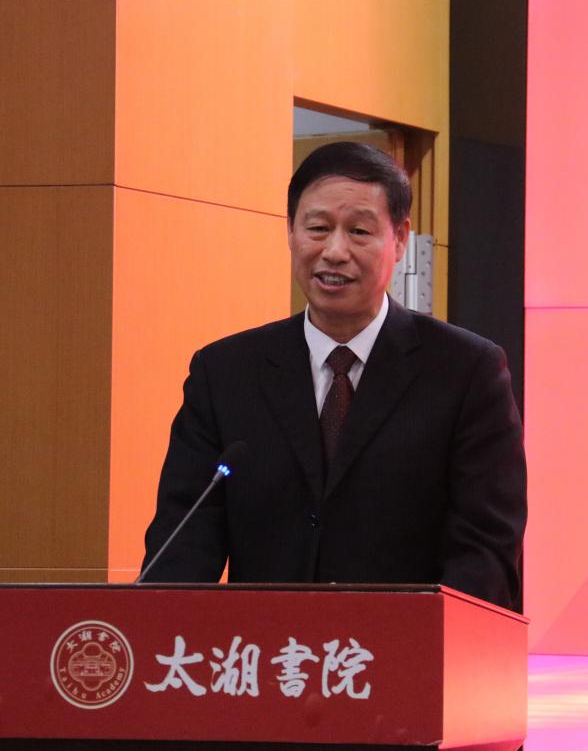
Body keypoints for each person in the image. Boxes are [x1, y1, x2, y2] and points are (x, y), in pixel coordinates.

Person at [140, 141, 527, 611]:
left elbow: (486, 551)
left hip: (402, 645)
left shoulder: (466, 371)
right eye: (318, 228)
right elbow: (181, 543)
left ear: (400, 238)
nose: (335, 251)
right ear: (290, 231)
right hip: (264, 647)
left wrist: (429, 642)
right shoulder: (224, 373)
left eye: (359, 231)